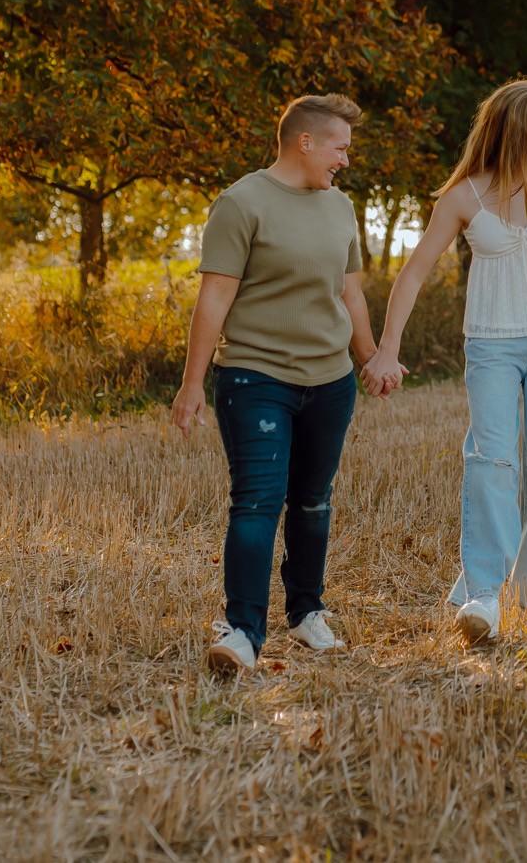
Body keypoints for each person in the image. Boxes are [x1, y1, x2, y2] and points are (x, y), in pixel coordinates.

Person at [363, 79, 527, 644]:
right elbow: (412, 274)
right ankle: (485, 594)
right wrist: (388, 348)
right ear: (518, 135)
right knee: (491, 461)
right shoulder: (463, 197)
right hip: (492, 345)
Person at [169, 94, 382, 674]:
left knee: (312, 503)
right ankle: (241, 631)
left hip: (331, 380)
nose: (345, 159)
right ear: (304, 141)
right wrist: (192, 384)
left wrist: (371, 358)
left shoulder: (341, 207)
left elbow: (351, 292)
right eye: (340, 146)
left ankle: (307, 612)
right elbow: (215, 294)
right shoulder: (241, 203)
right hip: (255, 375)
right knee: (258, 502)